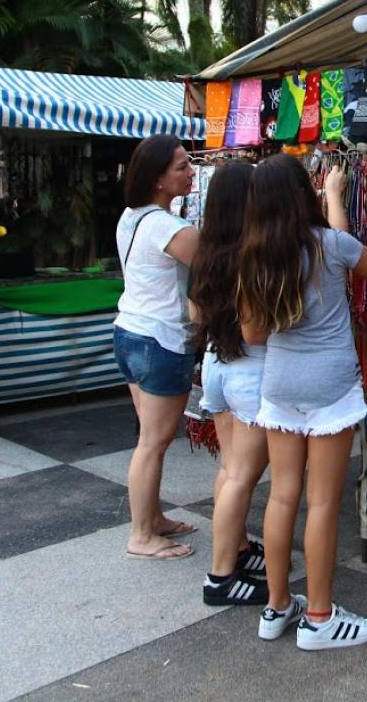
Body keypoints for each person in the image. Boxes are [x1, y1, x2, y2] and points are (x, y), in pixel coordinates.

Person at [238, 154, 367, 650]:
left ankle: (276, 608)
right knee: (321, 503)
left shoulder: (254, 255)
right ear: (305, 193)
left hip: (279, 385)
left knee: (281, 498)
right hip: (330, 386)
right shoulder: (330, 246)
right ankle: (319, 618)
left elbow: (253, 335)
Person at [114, 134, 199, 560]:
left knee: (152, 437)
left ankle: (151, 518)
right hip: (160, 339)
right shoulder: (170, 228)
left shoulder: (131, 217)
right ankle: (142, 534)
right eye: (181, 166)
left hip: (129, 331)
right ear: (157, 179)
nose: (190, 172)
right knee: (153, 440)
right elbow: (219, 261)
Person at [189, 161, 270, 603]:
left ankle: (235, 550)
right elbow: (256, 330)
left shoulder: (206, 251)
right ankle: (221, 577)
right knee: (242, 475)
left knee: (230, 471)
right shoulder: (251, 254)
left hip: (215, 364)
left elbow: (194, 315)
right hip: (249, 369)